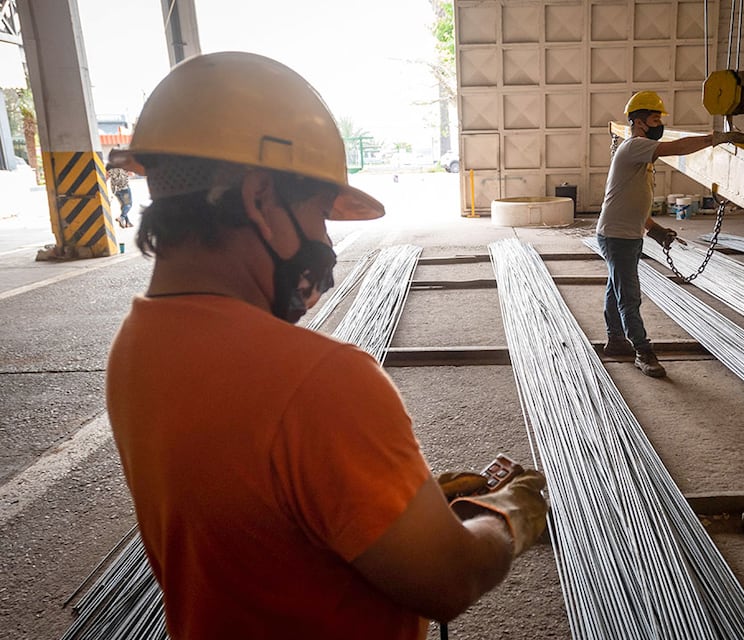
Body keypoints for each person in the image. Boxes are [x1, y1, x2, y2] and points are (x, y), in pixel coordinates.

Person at [105, 52, 548, 640]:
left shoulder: (137, 344)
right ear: (261, 199)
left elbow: (258, 506)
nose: (324, 241)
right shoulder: (322, 381)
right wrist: (510, 513)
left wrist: (389, 500)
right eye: (318, 213)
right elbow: (447, 581)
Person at [596, 90, 744, 378]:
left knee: (616, 286)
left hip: (626, 233)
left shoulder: (640, 156)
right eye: (655, 118)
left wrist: (655, 230)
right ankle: (643, 351)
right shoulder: (635, 147)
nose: (660, 124)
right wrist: (714, 139)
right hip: (617, 236)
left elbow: (630, 202)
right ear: (639, 122)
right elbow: (677, 148)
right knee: (628, 295)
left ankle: (616, 340)